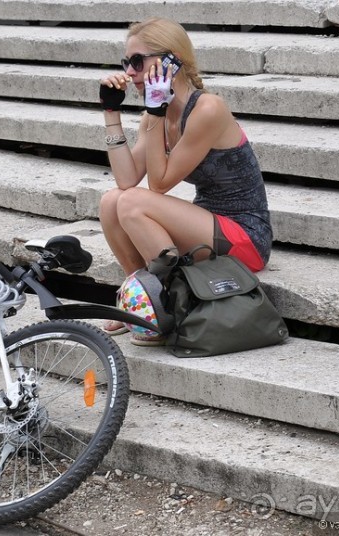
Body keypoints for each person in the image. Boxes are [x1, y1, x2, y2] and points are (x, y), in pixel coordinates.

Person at [98, 17, 273, 345]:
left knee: (134, 203)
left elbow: (159, 184)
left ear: (171, 62)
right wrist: (111, 114)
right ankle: (143, 304)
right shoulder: (158, 113)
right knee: (111, 202)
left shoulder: (208, 109)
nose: (130, 72)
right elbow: (125, 179)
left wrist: (155, 113)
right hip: (207, 228)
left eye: (138, 61)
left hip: (244, 237)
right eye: (127, 63)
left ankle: (170, 308)